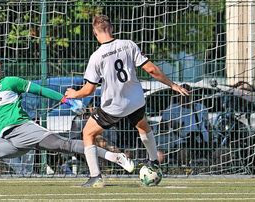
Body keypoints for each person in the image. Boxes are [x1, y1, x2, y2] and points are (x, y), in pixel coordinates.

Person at [0, 56, 135, 187]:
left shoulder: (10, 82)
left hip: (24, 130)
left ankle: (115, 157)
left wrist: (63, 99)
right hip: (8, 141)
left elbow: (40, 90)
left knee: (64, 146)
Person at [65, 15, 189, 188]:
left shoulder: (97, 56)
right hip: (135, 101)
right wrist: (172, 85)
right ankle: (154, 161)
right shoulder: (128, 44)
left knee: (88, 133)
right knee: (143, 127)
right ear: (112, 28)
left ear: (95, 33)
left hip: (114, 106)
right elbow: (151, 69)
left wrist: (74, 94)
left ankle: (96, 177)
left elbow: (89, 90)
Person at [160, 84, 209, 165]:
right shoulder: (172, 109)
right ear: (178, 95)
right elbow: (161, 128)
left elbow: (208, 126)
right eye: (183, 93)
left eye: (188, 93)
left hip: (202, 143)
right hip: (182, 144)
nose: (186, 96)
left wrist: (212, 142)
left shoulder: (201, 107)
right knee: (184, 154)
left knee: (223, 152)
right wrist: (171, 124)